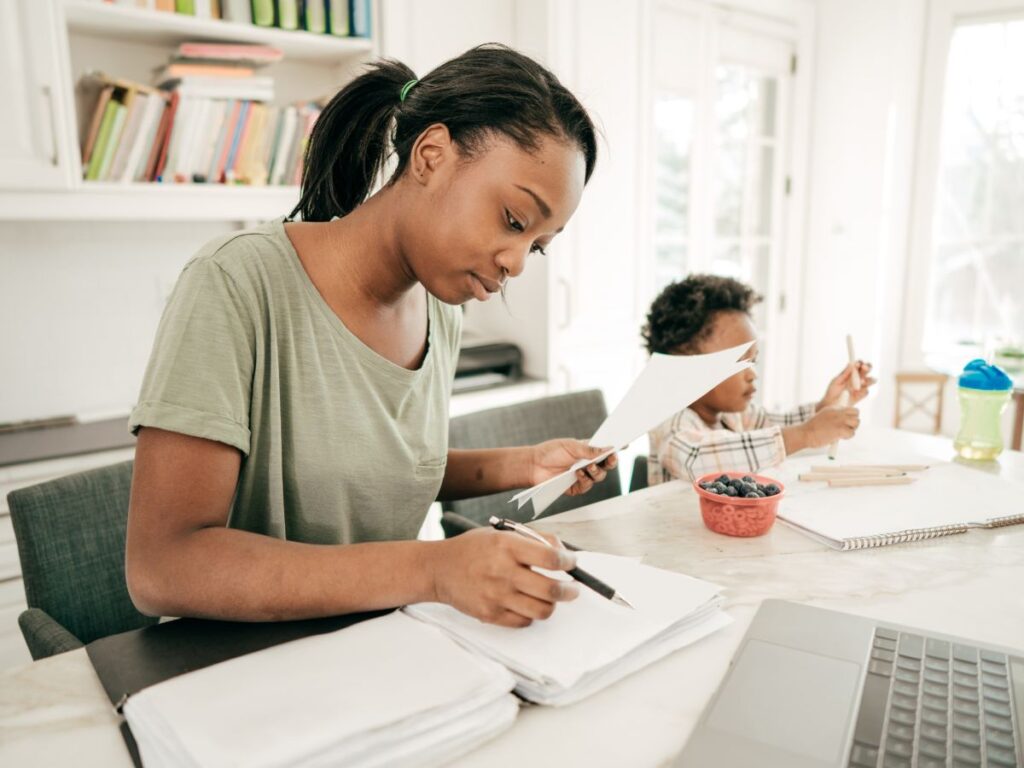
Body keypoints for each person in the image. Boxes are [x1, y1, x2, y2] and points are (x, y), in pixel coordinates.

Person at [125, 45, 616, 630]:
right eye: (514, 219)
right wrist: (432, 570)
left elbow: (374, 467)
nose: (517, 262)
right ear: (431, 156)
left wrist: (522, 464)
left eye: (537, 244)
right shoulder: (237, 282)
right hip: (238, 667)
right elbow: (162, 567)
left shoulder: (442, 312)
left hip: (380, 644)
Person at [641, 274, 874, 484]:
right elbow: (699, 459)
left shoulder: (734, 415)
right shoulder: (669, 422)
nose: (752, 374)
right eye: (738, 361)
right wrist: (806, 434)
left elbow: (777, 425)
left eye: (753, 361)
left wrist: (828, 406)